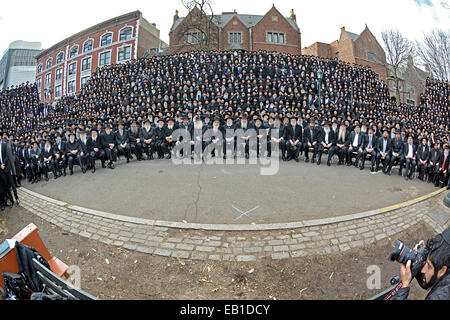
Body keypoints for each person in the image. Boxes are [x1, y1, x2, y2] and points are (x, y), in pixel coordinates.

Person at [393, 228, 450, 300]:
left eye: (429, 266)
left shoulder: (439, 296)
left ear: (442, 270)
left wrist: (404, 286)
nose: (423, 270)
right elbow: (429, 281)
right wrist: (419, 261)